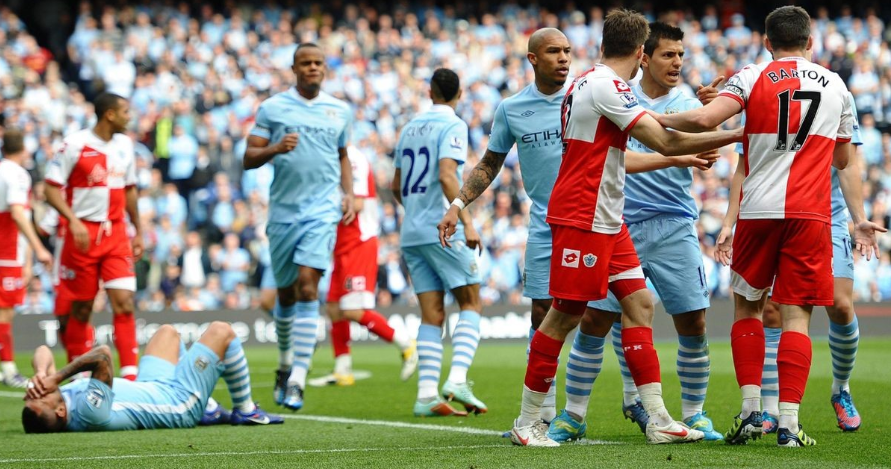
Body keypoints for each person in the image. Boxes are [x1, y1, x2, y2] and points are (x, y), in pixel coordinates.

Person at [438, 27, 715, 428]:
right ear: (533, 58)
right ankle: (541, 419)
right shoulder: (516, 108)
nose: (564, 58)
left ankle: (650, 413)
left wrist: (706, 121)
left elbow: (627, 150)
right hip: (560, 217)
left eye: (568, 50)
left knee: (631, 305)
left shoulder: (585, 90)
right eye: (554, 51)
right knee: (551, 313)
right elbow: (488, 164)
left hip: (599, 217)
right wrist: (459, 204)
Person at [503, 9, 740, 447]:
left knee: (639, 304)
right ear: (639, 51)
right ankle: (527, 421)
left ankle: (658, 418)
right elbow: (665, 139)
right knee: (565, 316)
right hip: (584, 215)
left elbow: (662, 125)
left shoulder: (588, 83)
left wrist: (716, 126)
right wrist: (743, 134)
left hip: (609, 219)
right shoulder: (606, 86)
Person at [656, 6, 880, 447]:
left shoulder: (752, 75)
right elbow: (842, 160)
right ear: (810, 42)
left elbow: (704, 121)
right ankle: (791, 425)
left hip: (758, 212)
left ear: (765, 40)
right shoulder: (836, 85)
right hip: (810, 215)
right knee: (797, 315)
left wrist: (650, 120)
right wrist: (856, 218)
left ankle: (751, 411)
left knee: (749, 310)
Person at [717, 92, 877, 435]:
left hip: (824, 214)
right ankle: (773, 410)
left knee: (840, 304)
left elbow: (847, 164)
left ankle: (841, 388)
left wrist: (858, 218)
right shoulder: (762, 93)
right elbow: (743, 166)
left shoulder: (834, 93)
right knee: (773, 309)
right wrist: (729, 222)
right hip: (771, 211)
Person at [244, 42, 355, 411]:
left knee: (309, 286)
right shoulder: (273, 108)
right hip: (282, 214)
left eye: (318, 63)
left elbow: (342, 156)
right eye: (305, 63)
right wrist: (274, 149)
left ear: (325, 68)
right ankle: (285, 362)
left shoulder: (340, 110)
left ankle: (297, 379)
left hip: (322, 211)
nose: (313, 68)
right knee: (287, 294)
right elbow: (248, 157)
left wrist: (349, 194)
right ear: (294, 68)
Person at [392, 68, 486, 417]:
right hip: (443, 229)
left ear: (430, 91)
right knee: (471, 301)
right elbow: (448, 174)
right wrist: (467, 220)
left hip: (412, 232)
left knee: (431, 314)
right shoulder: (454, 125)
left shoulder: (409, 128)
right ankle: (458, 378)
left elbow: (395, 187)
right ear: (458, 93)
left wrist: (417, 213)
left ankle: (426, 395)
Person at [21, 321, 283, 432]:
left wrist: (42, 373)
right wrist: (56, 378)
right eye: (42, 397)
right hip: (177, 405)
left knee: (166, 332)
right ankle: (245, 410)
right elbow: (102, 355)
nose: (39, 392)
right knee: (222, 331)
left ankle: (208, 407)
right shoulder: (88, 413)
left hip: (154, 386)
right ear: (58, 413)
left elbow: (42, 351)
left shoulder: (61, 402)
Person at [44, 92, 144, 381]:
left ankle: (130, 377)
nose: (130, 117)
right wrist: (72, 220)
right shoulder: (74, 145)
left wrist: (137, 230)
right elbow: (50, 189)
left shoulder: (126, 145)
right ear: (109, 114)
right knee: (83, 306)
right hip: (83, 234)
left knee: (124, 300)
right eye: (125, 111)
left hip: (116, 233)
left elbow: (130, 191)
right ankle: (77, 375)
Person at [321, 145, 418, 386]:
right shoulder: (331, 157)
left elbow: (357, 203)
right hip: (342, 244)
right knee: (333, 306)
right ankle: (343, 369)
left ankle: (406, 344)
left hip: (359, 243)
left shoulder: (353, 159)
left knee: (352, 310)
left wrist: (318, 209)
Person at [0, 129, 53, 387]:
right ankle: (9, 369)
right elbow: (19, 214)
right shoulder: (17, 174)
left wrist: (29, 258)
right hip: (6, 250)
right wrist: (39, 248)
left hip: (12, 252)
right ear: (23, 149)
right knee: (5, 312)